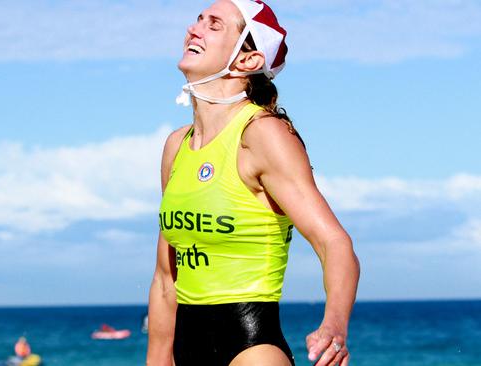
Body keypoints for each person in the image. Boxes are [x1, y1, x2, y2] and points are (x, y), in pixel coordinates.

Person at [146, 1, 360, 366]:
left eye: (214, 25)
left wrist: (334, 326)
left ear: (248, 61)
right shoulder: (176, 147)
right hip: (186, 346)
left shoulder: (261, 135)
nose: (194, 28)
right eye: (199, 19)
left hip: (251, 348)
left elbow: (334, 242)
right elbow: (167, 280)